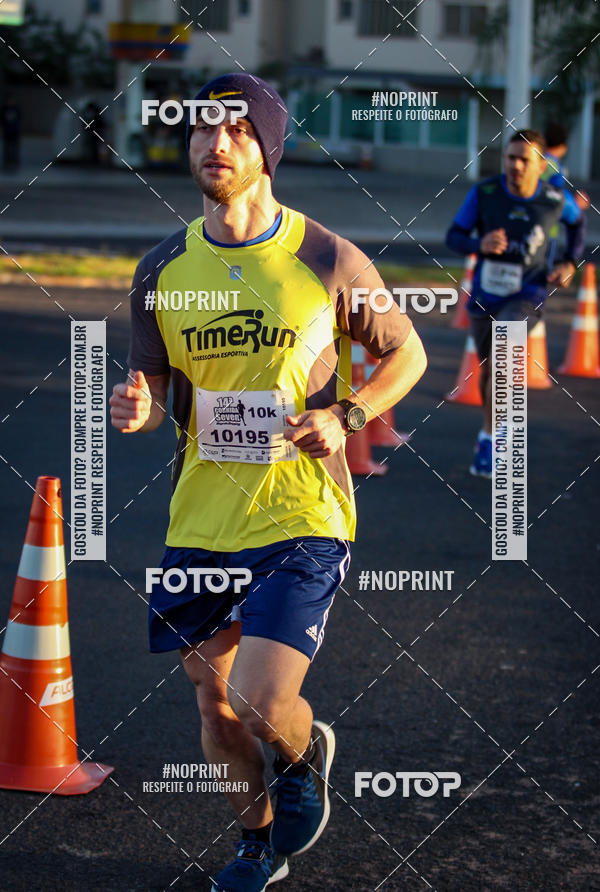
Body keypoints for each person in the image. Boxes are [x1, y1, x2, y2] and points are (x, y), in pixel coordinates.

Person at [110, 73, 427, 892]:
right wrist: (136, 406)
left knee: (256, 702)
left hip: (303, 513)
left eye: (239, 132)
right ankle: (257, 843)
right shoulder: (161, 269)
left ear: (268, 149)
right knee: (213, 707)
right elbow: (151, 395)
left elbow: (409, 352)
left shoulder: (323, 256)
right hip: (202, 519)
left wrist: (348, 415)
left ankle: (300, 750)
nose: (216, 145)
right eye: (204, 130)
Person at [446, 128, 586, 478]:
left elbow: (578, 222)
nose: (516, 165)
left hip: (527, 296)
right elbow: (455, 237)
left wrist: (569, 263)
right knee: (491, 371)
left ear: (541, 165)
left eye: (525, 160)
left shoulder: (554, 200)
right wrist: (481, 245)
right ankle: (488, 435)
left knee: (504, 354)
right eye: (511, 157)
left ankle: (494, 441)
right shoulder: (486, 193)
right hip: (485, 297)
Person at [1, 95, 21, 170]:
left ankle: (14, 163)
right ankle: (7, 163)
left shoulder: (16, 109)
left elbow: (19, 119)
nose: (10, 102)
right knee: (7, 148)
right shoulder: (4, 109)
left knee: (15, 148)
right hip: (7, 132)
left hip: (15, 132)